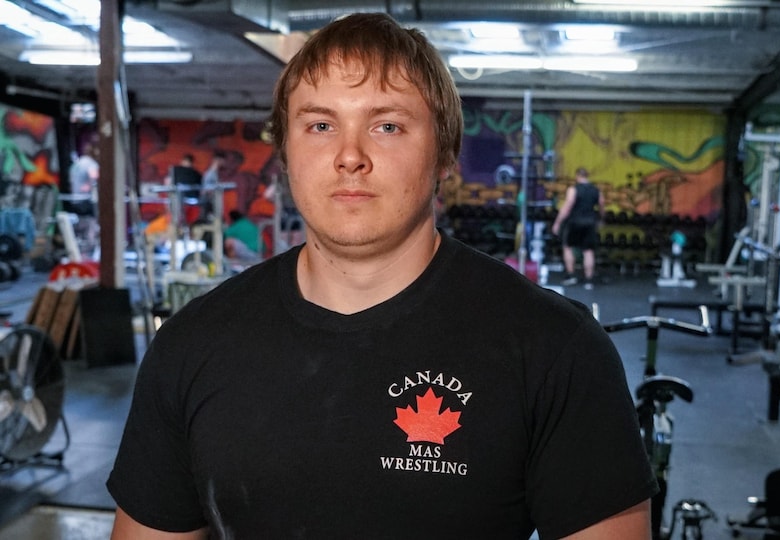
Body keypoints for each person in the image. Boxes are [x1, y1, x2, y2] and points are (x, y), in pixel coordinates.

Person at [108, 12, 656, 540]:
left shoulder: (556, 350)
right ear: (286, 152)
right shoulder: (191, 344)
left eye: (387, 125)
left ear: (444, 155)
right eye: (321, 125)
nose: (350, 156)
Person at [551, 167, 604, 289]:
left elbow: (568, 205)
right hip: (590, 222)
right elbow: (601, 205)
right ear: (587, 175)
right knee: (588, 251)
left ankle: (571, 276)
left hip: (575, 222)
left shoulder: (573, 189)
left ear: (577, 176)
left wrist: (557, 222)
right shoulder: (596, 190)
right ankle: (588, 281)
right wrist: (601, 219)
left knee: (567, 247)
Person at [67, 141, 99, 217]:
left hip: (75, 200)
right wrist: (90, 185)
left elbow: (70, 181)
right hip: (86, 200)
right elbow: (94, 178)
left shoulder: (77, 164)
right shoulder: (91, 164)